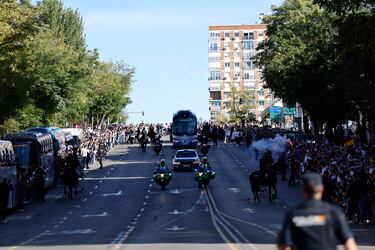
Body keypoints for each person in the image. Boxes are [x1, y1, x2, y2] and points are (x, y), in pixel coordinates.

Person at [278, 172, 357, 250]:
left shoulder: (293, 214)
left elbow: (285, 246)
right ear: (321, 189)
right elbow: (349, 243)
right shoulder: (334, 212)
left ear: (303, 189)